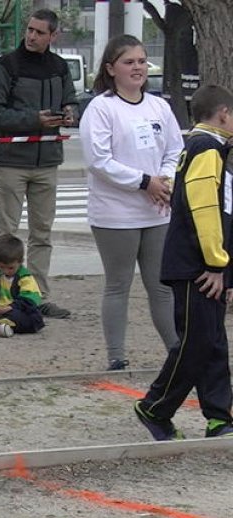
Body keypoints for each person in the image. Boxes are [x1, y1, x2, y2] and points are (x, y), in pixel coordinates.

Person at [135, 84, 233, 441]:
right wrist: (216, 263)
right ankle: (155, 406)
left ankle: (220, 416)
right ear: (223, 113)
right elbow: (205, 209)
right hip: (196, 266)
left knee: (212, 340)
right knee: (195, 342)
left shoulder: (203, 147)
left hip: (197, 263)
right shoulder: (207, 148)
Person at [81, 35, 183, 371]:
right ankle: (116, 355)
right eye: (129, 62)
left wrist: (164, 179)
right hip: (115, 213)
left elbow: (173, 150)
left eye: (141, 61)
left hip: (157, 211)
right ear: (111, 68)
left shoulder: (159, 107)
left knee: (161, 286)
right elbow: (100, 160)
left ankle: (177, 351)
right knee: (118, 284)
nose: (137, 67)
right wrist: (144, 182)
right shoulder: (101, 108)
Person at [0, 8, 77, 320]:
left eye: (39, 32)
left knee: (42, 233)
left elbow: (71, 98)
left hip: (47, 160)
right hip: (12, 160)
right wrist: (31, 120)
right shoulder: (7, 65)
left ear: (53, 36)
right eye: (30, 30)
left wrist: (70, 111)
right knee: (5, 231)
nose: (32, 36)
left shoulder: (60, 67)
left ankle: (38, 296)